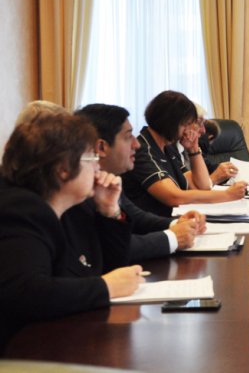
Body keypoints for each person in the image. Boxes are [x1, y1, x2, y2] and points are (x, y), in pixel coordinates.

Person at [0, 115, 143, 351]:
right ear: (63, 169)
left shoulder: (71, 206)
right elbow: (26, 292)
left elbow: (109, 268)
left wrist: (109, 211)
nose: (98, 166)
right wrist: (105, 287)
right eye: (92, 158)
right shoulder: (20, 210)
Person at [76, 104, 207, 261]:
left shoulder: (107, 178)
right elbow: (102, 248)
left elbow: (136, 217)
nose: (136, 144)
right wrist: (173, 238)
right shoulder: (78, 192)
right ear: (102, 147)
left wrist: (177, 223)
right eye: (128, 137)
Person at [122, 90, 247, 217]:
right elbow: (174, 197)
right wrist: (227, 195)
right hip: (155, 225)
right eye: (186, 124)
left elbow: (203, 186)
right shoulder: (142, 150)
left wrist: (193, 149)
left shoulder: (168, 148)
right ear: (172, 122)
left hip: (177, 219)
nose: (188, 129)